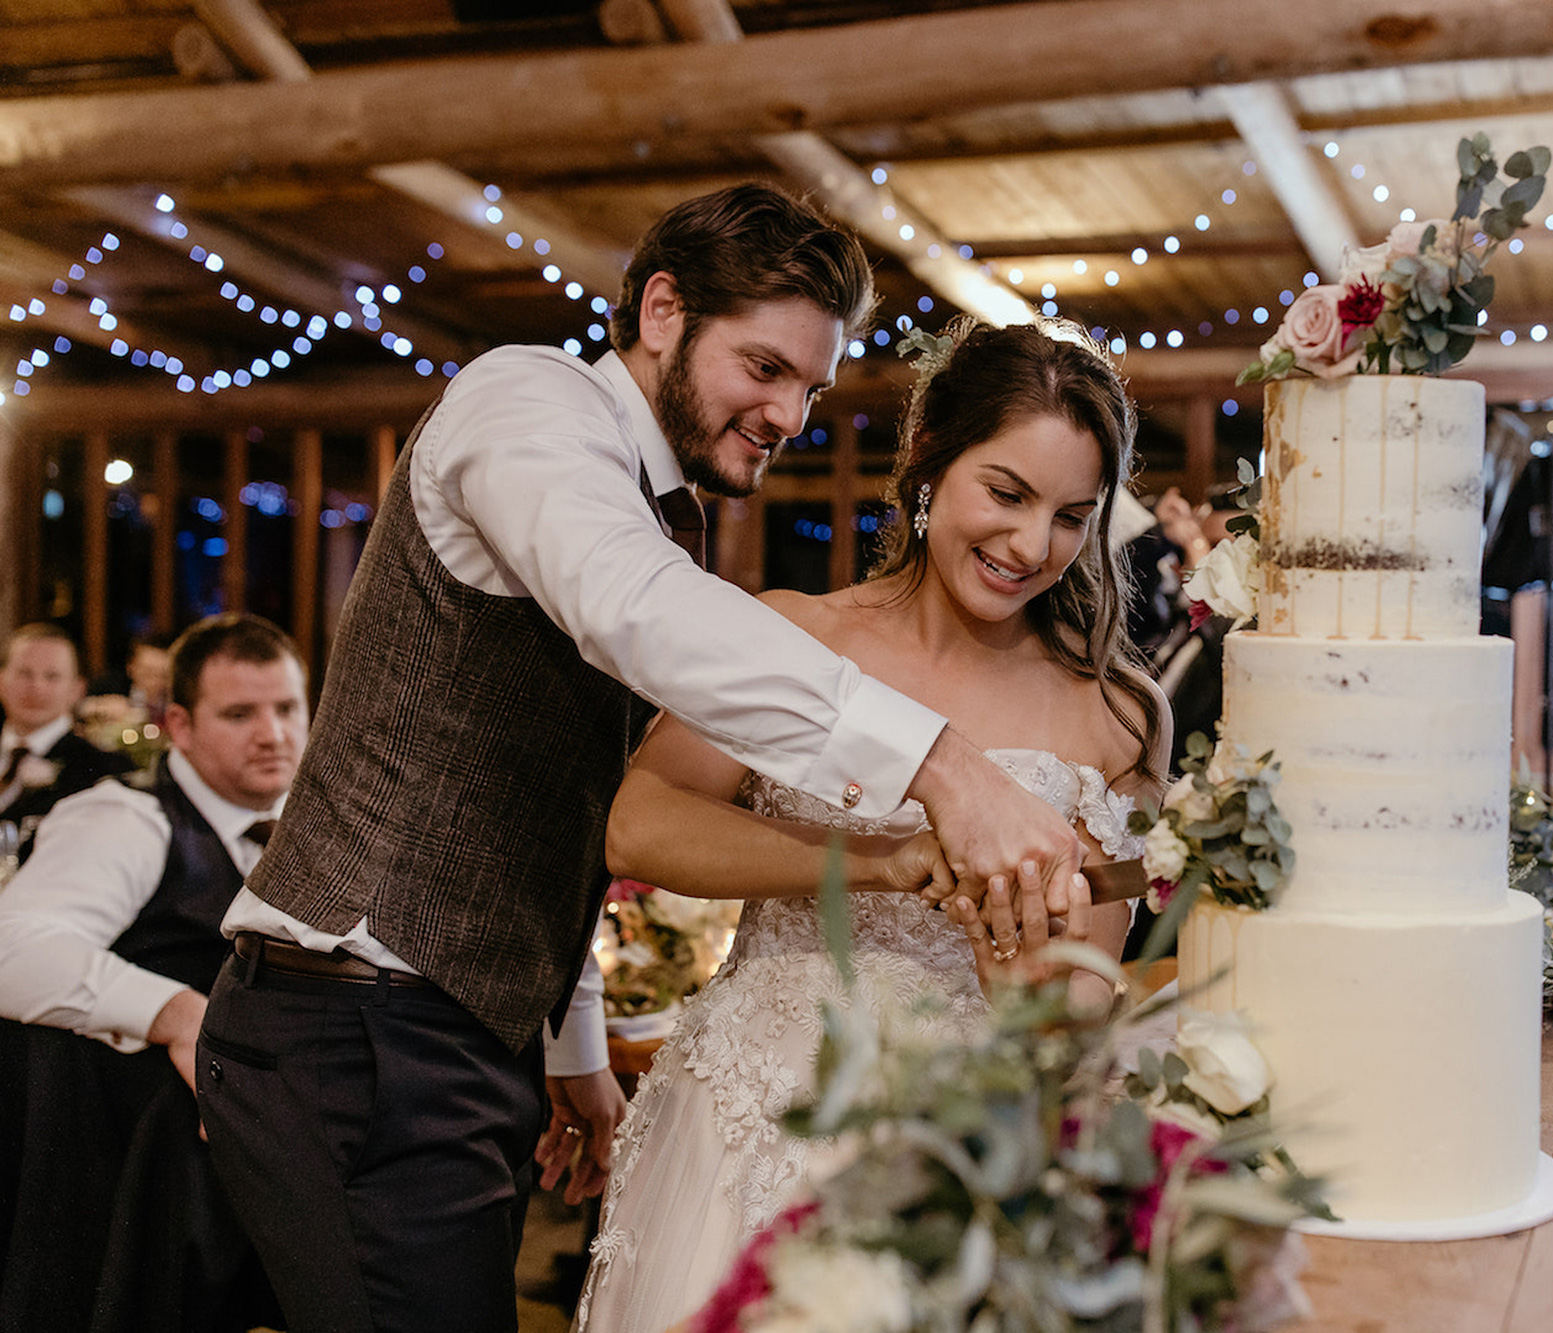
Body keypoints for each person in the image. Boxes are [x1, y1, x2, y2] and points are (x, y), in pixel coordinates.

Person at [195, 184, 1090, 1333]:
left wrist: (568, 1048)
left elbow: (565, 802)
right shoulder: (526, 403)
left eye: (809, 387)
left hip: (449, 1039)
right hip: (353, 1031)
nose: (788, 414)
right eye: (763, 367)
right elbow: (634, 610)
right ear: (662, 308)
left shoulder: (660, 513)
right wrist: (944, 768)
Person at [574, 315, 1169, 1332]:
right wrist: (883, 861)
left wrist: (1019, 989)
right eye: (1007, 493)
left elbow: (1082, 1003)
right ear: (929, 457)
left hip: (968, 1153)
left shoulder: (1116, 711)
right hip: (749, 1122)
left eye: (1072, 515)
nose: (1033, 546)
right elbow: (635, 823)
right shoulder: (790, 637)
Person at [0, 614, 306, 1332]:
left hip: (280, 1162)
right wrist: (179, 1013)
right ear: (180, 724)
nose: (273, 733)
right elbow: (13, 946)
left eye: (288, 707)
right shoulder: (128, 816)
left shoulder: (315, 830)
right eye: (239, 713)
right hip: (135, 1182)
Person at [0, 622, 134, 837]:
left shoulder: (103, 770)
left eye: (52, 676)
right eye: (24, 674)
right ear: (2, 680)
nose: (37, 687)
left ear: (77, 689)